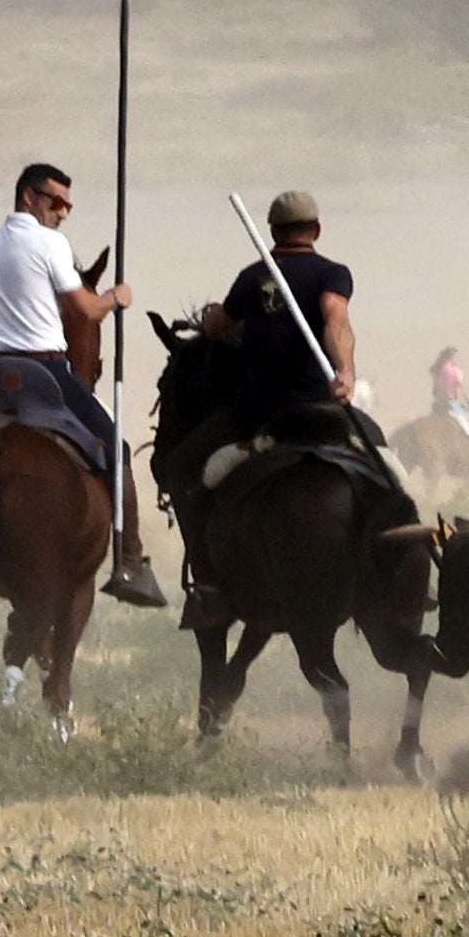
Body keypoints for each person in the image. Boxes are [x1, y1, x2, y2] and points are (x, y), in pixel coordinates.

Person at [161, 191, 386, 626]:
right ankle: (405, 568)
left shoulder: (251, 278)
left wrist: (211, 320)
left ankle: (207, 583)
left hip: (258, 413)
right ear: (316, 231)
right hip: (326, 407)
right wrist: (346, 372)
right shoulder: (333, 274)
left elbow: (220, 325)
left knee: (182, 467)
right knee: (389, 467)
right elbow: (335, 320)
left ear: (272, 232)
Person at [0, 162, 166, 608]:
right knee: (116, 446)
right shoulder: (50, 243)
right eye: (57, 202)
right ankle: (130, 562)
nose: (63, 213)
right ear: (28, 197)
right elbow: (88, 310)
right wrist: (118, 298)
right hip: (46, 374)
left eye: (68, 206)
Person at [429, 347, 469, 442]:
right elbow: (459, 388)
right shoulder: (453, 370)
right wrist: (467, 401)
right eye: (455, 357)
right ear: (451, 357)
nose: (456, 359)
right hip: (451, 402)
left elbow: (436, 389)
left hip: (440, 402)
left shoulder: (439, 369)